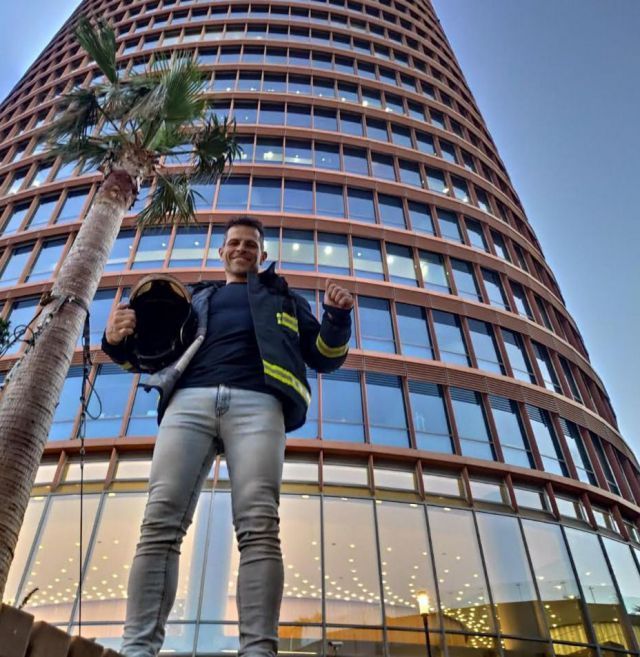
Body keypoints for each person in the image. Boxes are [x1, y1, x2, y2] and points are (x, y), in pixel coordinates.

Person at [102, 216, 353, 657]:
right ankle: (137, 649)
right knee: (159, 524)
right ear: (221, 252)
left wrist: (337, 317)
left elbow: (324, 357)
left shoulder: (287, 300)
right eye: (234, 243)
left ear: (262, 255)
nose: (242, 249)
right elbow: (148, 355)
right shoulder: (196, 297)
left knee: (259, 526)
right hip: (189, 403)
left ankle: (258, 650)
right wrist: (115, 341)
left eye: (251, 245)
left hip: (260, 404)